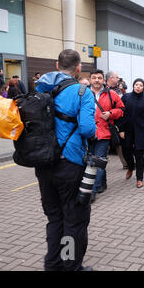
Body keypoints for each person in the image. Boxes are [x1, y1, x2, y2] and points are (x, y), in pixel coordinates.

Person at [34, 49, 96, 271]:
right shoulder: (82, 92)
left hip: (43, 163)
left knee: (54, 218)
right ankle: (70, 266)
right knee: (73, 220)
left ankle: (52, 265)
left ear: (56, 65)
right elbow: (88, 129)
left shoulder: (40, 88)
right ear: (78, 67)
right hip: (69, 164)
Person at [89, 69, 125, 203]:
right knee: (91, 162)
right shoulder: (83, 93)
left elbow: (121, 109)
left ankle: (92, 190)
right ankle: (101, 183)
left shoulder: (111, 94)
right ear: (90, 79)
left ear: (103, 80)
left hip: (104, 133)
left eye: (99, 78)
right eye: (94, 78)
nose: (97, 80)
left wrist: (111, 113)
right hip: (87, 133)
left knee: (98, 161)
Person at [118, 79, 144, 188]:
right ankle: (130, 166)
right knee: (126, 152)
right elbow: (121, 114)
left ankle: (139, 178)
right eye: (136, 85)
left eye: (141, 85)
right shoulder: (126, 97)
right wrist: (121, 129)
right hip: (127, 131)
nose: (138, 87)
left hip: (141, 131)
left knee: (139, 155)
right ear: (133, 86)